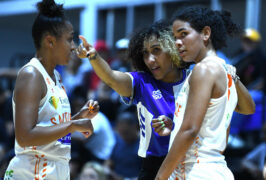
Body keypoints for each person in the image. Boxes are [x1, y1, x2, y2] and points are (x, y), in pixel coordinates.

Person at [77, 20, 191, 180]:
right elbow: (110, 77)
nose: (150, 59)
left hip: (191, 163)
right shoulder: (142, 81)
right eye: (145, 53)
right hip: (154, 167)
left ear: (172, 48)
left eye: (156, 50)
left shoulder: (194, 79)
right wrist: (93, 56)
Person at [154, 6, 255, 180]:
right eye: (175, 38)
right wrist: (176, 124)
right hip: (215, 170)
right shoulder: (224, 70)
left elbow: (190, 130)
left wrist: (160, 177)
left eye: (183, 34)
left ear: (206, 33)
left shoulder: (203, 69)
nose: (177, 42)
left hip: (196, 171)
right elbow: (249, 108)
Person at [4, 0, 99, 179]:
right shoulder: (32, 74)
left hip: (55, 167)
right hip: (32, 170)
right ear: (50, 41)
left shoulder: (55, 76)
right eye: (70, 39)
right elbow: (25, 136)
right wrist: (73, 124)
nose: (73, 47)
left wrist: (79, 117)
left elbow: (51, 127)